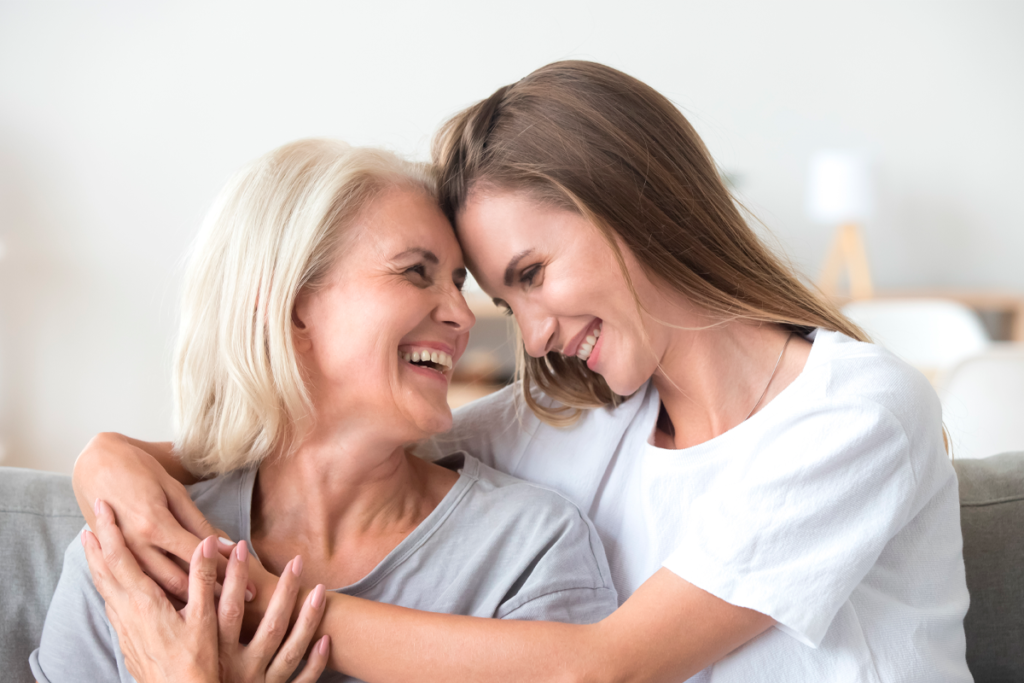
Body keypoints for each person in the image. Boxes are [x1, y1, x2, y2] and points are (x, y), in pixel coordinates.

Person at [72, 61, 973, 682]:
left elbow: (597, 666)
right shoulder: (584, 416)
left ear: (632, 202)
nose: (532, 335)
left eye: (532, 274)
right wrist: (112, 456)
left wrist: (257, 604)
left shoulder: (854, 409)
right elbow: (333, 434)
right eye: (510, 300)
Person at [30, 138, 619, 683]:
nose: (463, 317)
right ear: (290, 312)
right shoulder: (131, 555)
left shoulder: (528, 551)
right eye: (416, 272)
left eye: (460, 283)